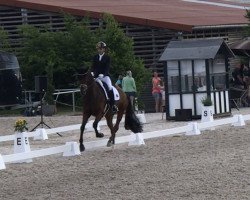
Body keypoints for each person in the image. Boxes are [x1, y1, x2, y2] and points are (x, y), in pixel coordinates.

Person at [91, 41, 118, 113]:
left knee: (110, 87)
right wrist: (92, 72)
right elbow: (93, 66)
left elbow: (107, 68)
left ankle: (113, 105)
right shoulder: (95, 57)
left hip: (105, 76)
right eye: (98, 49)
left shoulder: (107, 57)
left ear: (104, 49)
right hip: (96, 77)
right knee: (89, 87)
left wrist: (104, 74)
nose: (99, 50)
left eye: (101, 48)